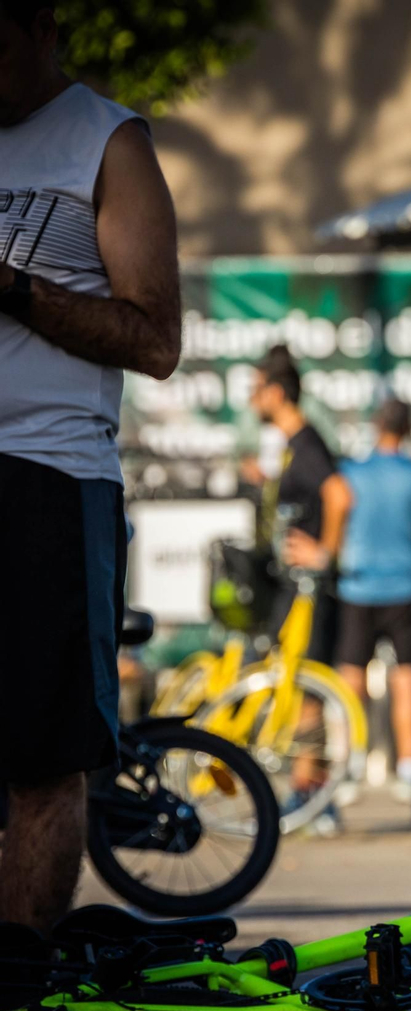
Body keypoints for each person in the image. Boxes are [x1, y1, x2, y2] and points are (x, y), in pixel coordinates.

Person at [0, 0, 181, 931]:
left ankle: (20, 1009)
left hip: (44, 477)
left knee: (42, 757)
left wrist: (14, 289)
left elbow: (155, 339)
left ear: (38, 26)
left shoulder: (105, 143)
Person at [248, 345, 352, 820]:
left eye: (255, 391)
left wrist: (324, 554)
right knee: (295, 687)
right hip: (294, 586)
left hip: (310, 589)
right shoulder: (292, 446)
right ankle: (308, 792)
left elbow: (339, 495)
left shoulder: (307, 442)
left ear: (275, 392)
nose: (251, 401)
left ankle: (312, 797)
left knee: (307, 692)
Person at [336, 398, 411, 802]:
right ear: (408, 429)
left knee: (350, 678)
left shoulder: (351, 473)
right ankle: (409, 769)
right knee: (406, 679)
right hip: (406, 586)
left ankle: (350, 765)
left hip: (358, 587)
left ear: (376, 425)